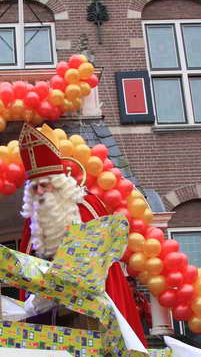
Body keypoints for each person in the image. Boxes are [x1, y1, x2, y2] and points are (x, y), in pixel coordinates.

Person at [17, 124, 146, 344]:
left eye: (45, 185)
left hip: (90, 307)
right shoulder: (33, 220)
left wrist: (43, 298)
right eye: (34, 187)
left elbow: (90, 266)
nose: (39, 192)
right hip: (48, 312)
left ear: (59, 184)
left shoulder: (87, 206)